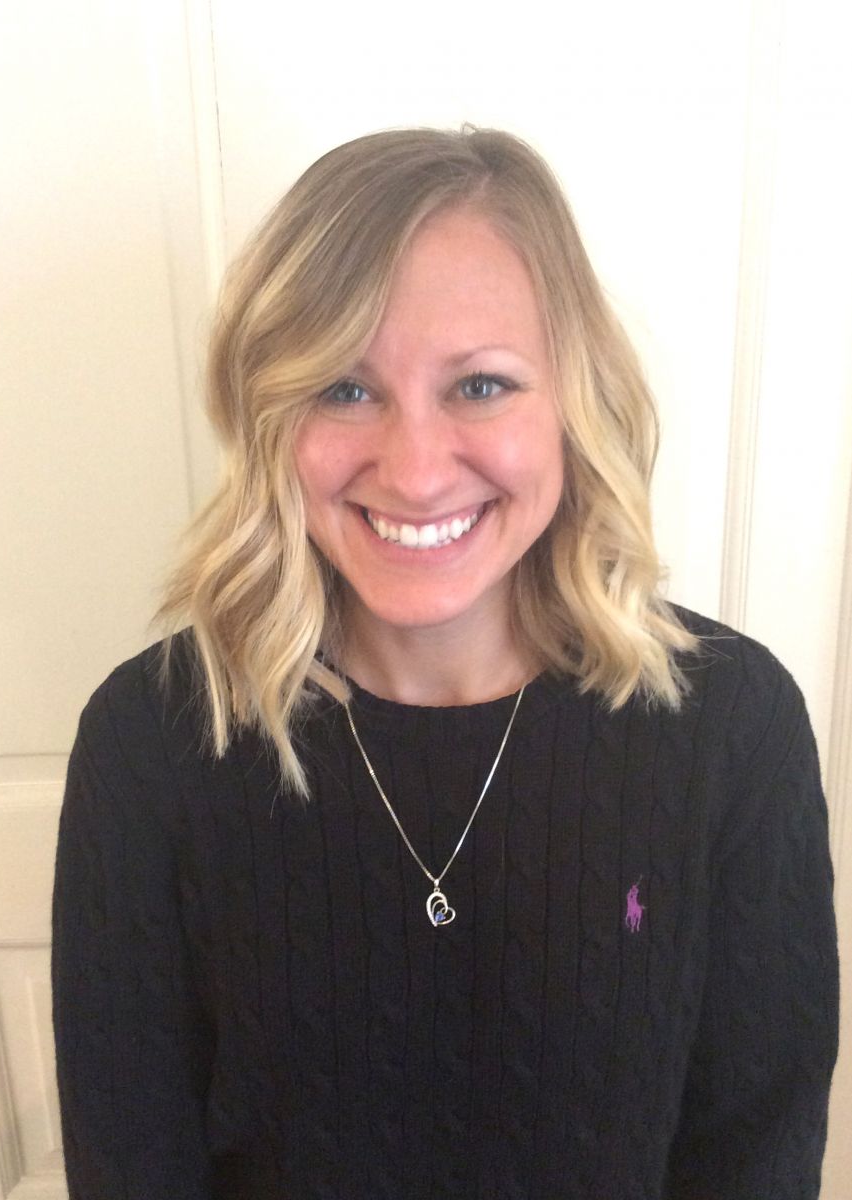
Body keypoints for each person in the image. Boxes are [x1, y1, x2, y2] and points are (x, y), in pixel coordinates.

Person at [51, 126, 839, 1199]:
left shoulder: (732, 727)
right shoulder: (152, 742)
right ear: (271, 415)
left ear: (575, 401)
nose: (416, 471)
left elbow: (755, 1158)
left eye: (479, 386)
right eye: (344, 388)